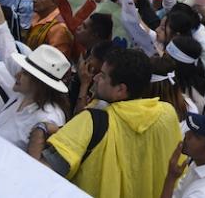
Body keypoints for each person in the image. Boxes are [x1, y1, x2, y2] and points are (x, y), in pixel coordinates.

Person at [32, 47, 182, 198]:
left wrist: (40, 129)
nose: (95, 78)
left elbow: (39, 174)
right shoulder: (166, 114)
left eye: (103, 76)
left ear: (120, 90)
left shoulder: (90, 121)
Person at [0, 0, 70, 150]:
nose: (16, 74)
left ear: (39, 82)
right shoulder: (26, 91)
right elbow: (7, 49)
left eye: (24, 72)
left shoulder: (49, 119)